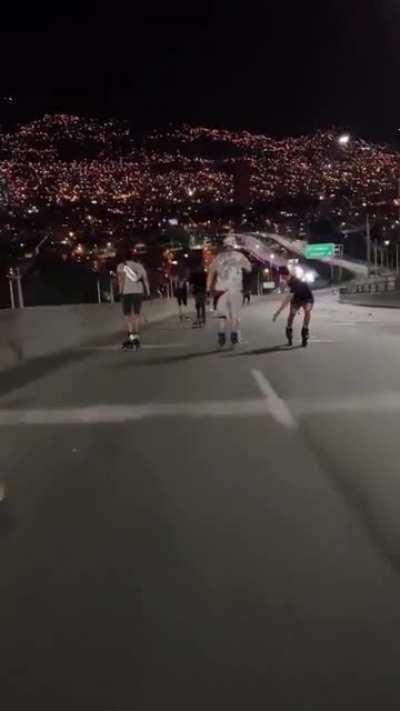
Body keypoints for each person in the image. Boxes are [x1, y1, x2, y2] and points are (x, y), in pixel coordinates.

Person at [207, 234, 252, 348]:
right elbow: (249, 268)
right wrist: (241, 264)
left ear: (224, 245)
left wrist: (208, 289)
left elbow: (211, 273)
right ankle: (234, 338)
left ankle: (221, 338)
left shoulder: (218, 258)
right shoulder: (239, 256)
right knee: (234, 316)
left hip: (221, 291)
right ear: (233, 245)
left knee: (222, 317)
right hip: (235, 290)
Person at [117, 250, 150, 350]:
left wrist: (120, 292)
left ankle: (131, 338)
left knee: (128, 317)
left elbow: (121, 280)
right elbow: (145, 279)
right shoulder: (139, 266)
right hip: (138, 293)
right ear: (133, 257)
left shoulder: (121, 266)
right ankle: (137, 339)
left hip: (127, 293)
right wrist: (148, 291)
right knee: (136, 316)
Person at [273, 267, 314, 347]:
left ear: (285, 275)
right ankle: (289, 331)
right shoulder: (289, 281)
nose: (283, 279)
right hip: (297, 299)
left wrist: (278, 312)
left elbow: (287, 300)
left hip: (307, 298)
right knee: (292, 314)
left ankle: (305, 330)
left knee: (307, 311)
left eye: (282, 277)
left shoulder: (294, 281)